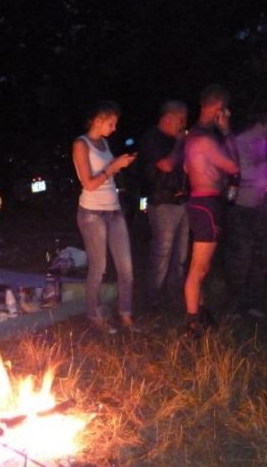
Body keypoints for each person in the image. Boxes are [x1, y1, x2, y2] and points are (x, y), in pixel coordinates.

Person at [72, 101, 138, 333]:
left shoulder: (105, 143)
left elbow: (106, 174)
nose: (114, 128)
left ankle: (126, 316)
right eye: (111, 123)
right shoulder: (81, 144)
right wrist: (113, 166)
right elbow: (89, 184)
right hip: (92, 213)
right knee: (98, 267)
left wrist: (119, 165)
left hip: (114, 210)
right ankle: (94, 316)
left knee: (126, 268)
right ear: (97, 120)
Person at [183, 84, 240, 335]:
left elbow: (188, 168)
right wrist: (227, 131)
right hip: (206, 204)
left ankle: (200, 311)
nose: (228, 115)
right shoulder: (205, 139)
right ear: (218, 108)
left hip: (205, 202)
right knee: (198, 267)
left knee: (202, 266)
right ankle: (192, 322)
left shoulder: (196, 135)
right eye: (226, 110)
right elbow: (234, 167)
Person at [224, 107, 267, 317]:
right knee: (240, 257)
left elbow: (264, 175)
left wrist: (265, 200)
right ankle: (234, 305)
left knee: (259, 256)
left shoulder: (262, 144)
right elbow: (239, 174)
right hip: (241, 207)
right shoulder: (238, 143)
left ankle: (252, 302)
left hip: (258, 206)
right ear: (259, 124)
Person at [138, 100, 190, 305]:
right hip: (162, 202)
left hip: (182, 201)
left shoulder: (176, 141)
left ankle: (173, 295)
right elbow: (166, 165)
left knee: (180, 254)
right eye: (181, 119)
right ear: (168, 118)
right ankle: (152, 298)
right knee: (162, 253)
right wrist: (179, 144)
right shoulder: (152, 138)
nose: (183, 124)